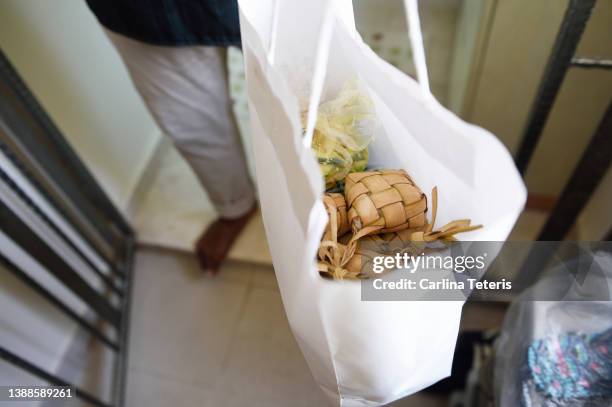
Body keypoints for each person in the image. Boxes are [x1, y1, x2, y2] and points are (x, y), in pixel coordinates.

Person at [85, 0, 256, 275]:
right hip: (141, 15)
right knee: (192, 124)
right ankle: (234, 205)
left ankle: (335, 197)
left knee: (311, 94)